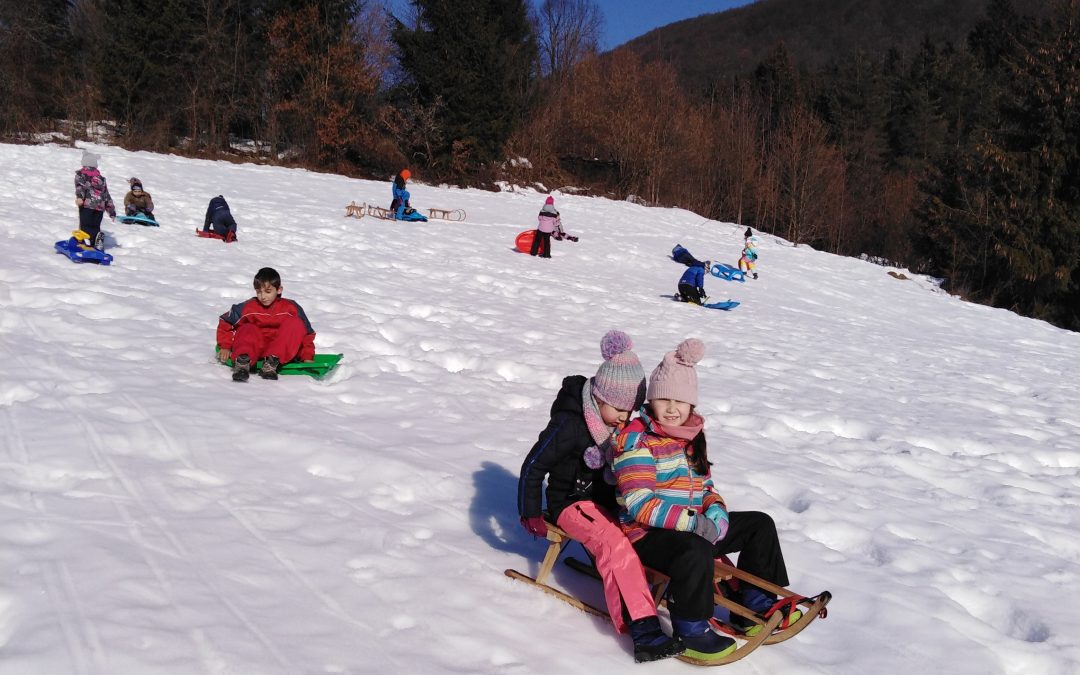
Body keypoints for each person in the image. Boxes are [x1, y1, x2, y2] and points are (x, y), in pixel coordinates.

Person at [613, 338, 794, 661]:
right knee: (694, 548)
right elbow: (639, 501)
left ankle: (755, 602)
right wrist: (693, 523)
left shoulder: (690, 438)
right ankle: (691, 626)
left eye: (679, 401)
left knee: (758, 524)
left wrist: (716, 514)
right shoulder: (638, 440)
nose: (671, 408)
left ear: (691, 405)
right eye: (663, 399)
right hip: (647, 535)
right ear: (651, 402)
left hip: (691, 528)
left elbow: (706, 487)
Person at [517, 331, 682, 663]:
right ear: (599, 395)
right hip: (570, 502)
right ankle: (644, 631)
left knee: (642, 529)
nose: (625, 416)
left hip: (602, 502)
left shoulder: (616, 428)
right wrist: (531, 512)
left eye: (631, 409)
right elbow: (534, 465)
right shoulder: (570, 425)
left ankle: (656, 587)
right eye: (619, 408)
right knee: (612, 544)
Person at [216, 267, 316, 382]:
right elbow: (226, 321)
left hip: (281, 352)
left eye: (268, 292)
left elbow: (307, 334)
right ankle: (243, 362)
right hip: (254, 349)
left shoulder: (291, 308)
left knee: (295, 323)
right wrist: (225, 346)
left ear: (279, 290)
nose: (263, 296)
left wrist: (307, 356)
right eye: (259, 292)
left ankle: (270, 363)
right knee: (248, 328)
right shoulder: (248, 307)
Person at [74, 149, 116, 249]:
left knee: (85, 224)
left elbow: (80, 187)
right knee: (95, 225)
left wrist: (80, 198)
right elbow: (106, 195)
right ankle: (96, 241)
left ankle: (83, 242)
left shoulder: (81, 175)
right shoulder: (101, 178)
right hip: (100, 207)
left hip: (87, 205)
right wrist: (111, 211)